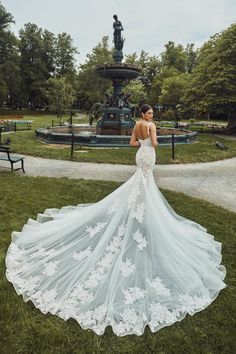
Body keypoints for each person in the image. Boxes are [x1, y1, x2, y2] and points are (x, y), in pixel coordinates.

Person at [5, 104, 226, 336]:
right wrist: (150, 140)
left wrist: (142, 143)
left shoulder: (136, 125)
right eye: (150, 113)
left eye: (152, 114)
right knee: (145, 185)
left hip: (140, 155)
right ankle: (143, 211)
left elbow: (132, 143)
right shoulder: (150, 126)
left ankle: (139, 209)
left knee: (141, 185)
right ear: (144, 114)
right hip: (148, 156)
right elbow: (158, 144)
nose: (152, 116)